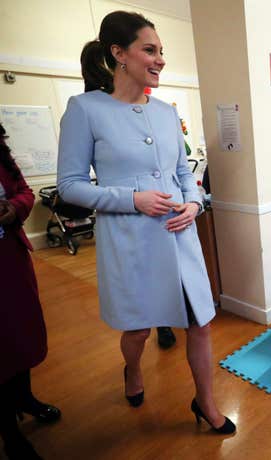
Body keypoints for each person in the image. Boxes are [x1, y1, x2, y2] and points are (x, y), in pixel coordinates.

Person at [57, 11, 235, 434]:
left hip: (179, 235)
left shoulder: (166, 112)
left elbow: (182, 174)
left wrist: (194, 203)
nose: (159, 60)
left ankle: (205, 402)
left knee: (199, 324)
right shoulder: (85, 110)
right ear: (118, 53)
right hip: (131, 240)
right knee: (137, 330)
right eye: (149, 50)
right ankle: (132, 370)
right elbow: (69, 186)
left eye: (161, 52)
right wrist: (131, 198)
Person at [0, 123, 61, 460]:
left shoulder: (1, 152)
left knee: (22, 336)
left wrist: (13, 208)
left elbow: (23, 191)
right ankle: (9, 431)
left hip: (10, 260)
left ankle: (25, 398)